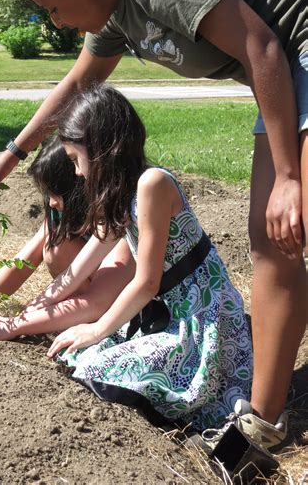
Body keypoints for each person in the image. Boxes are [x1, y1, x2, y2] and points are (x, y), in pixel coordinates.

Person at [0, 0, 306, 448]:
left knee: (281, 233)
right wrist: (13, 152)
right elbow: (79, 85)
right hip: (287, 66)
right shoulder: (114, 16)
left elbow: (261, 46)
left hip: (294, 49)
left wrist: (290, 178)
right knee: (273, 242)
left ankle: (260, 427)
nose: (54, 24)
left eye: (52, 9)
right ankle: (261, 427)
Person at [34, 84, 252, 432]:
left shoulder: (152, 184)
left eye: (76, 160)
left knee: (96, 367)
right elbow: (77, 270)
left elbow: (147, 282)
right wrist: (30, 313)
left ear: (102, 149)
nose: (76, 173)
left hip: (200, 322)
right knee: (76, 354)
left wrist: (96, 328)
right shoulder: (121, 195)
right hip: (168, 316)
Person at [0, 135, 134, 332]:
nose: (51, 203)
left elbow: (98, 301)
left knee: (57, 250)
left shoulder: (119, 221)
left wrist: (16, 324)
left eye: (56, 193)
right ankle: (71, 317)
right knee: (54, 245)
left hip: (120, 302)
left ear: (80, 187)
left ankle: (84, 320)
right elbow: (23, 262)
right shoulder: (63, 215)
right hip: (94, 298)